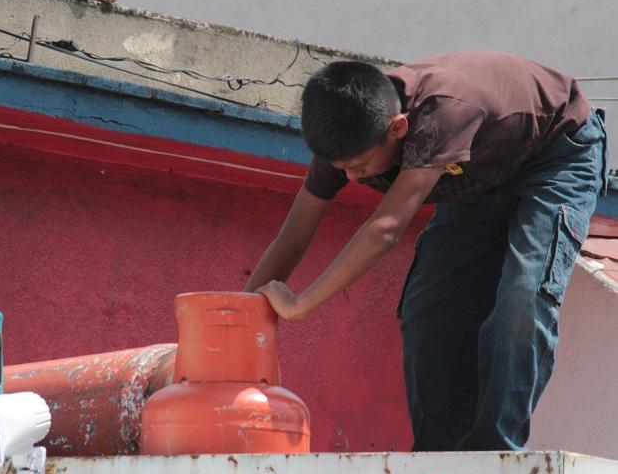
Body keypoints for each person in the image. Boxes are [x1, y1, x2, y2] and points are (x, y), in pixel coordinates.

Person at [244, 50, 609, 451]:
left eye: (359, 166)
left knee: (520, 301)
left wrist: (300, 304)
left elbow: (385, 229)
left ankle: (494, 452)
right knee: (428, 310)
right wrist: (236, 318)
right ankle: (438, 454)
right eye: (342, 168)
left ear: (398, 128)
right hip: (477, 172)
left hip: (554, 155)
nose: (350, 176)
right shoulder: (346, 135)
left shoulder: (442, 115)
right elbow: (292, 238)